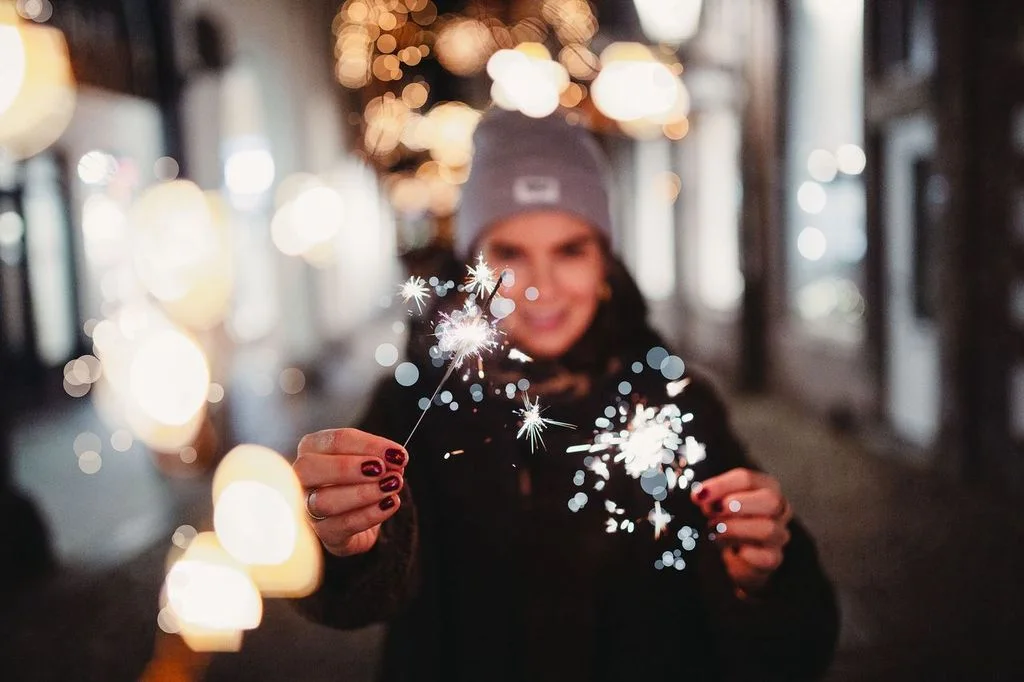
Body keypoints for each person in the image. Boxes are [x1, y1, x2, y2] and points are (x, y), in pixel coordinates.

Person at [292, 109, 839, 681]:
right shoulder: (414, 410)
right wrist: (344, 543)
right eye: (509, 253)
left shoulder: (677, 402)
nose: (541, 287)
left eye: (570, 249)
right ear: (472, 262)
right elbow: (364, 599)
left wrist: (758, 576)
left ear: (606, 259)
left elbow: (794, 646)